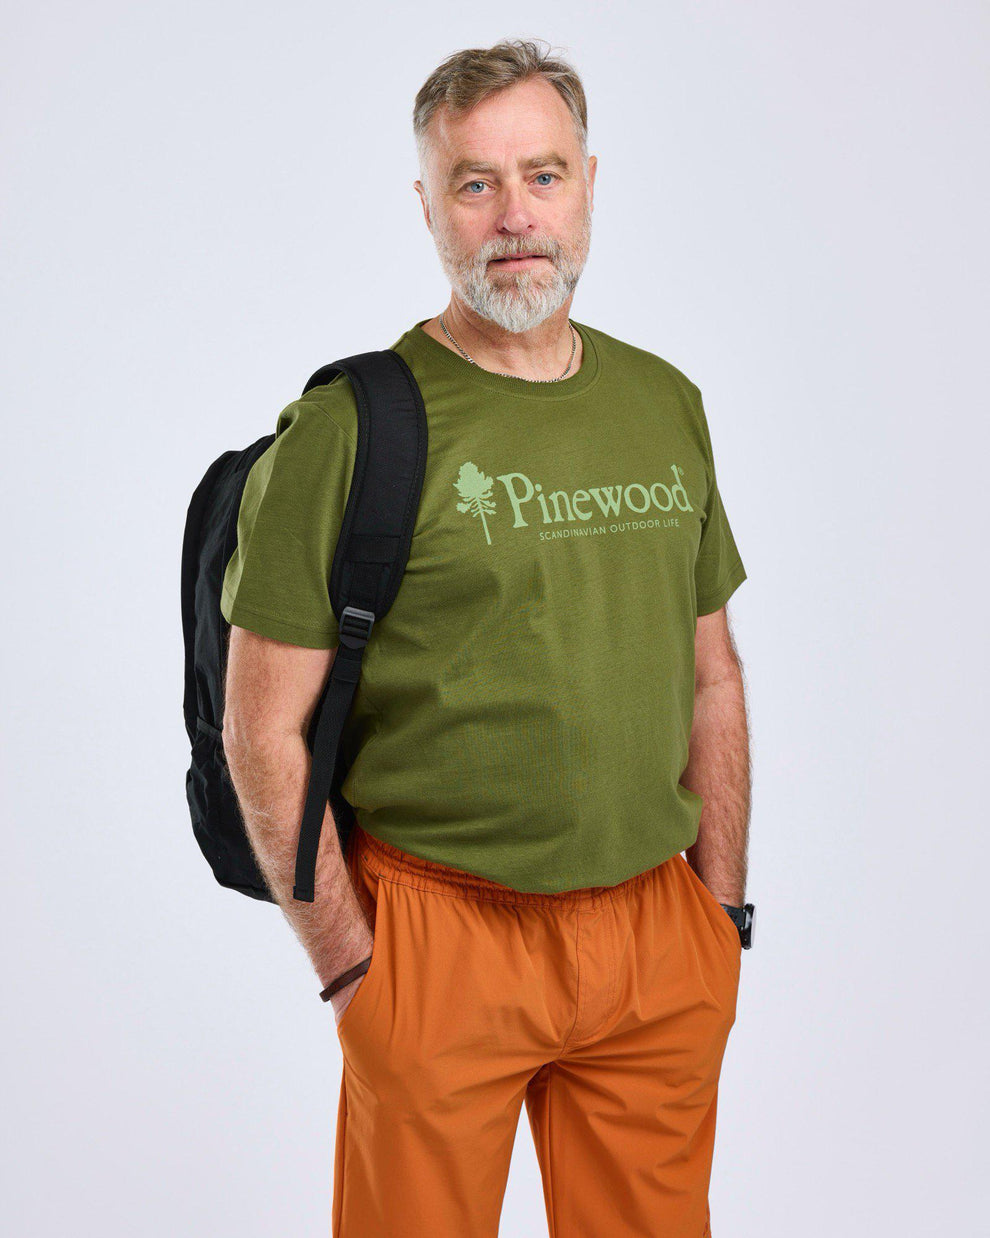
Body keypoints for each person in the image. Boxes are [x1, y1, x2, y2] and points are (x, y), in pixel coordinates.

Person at [220, 36, 754, 1238]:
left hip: (655, 936)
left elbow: (712, 673)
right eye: (476, 182)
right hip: (437, 932)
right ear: (428, 204)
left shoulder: (662, 402)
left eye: (543, 175)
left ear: (589, 184)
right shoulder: (349, 429)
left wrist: (717, 918)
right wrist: (350, 965)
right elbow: (260, 728)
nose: (516, 215)